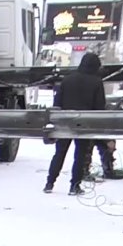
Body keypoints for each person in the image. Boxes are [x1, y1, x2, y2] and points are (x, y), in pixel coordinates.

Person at [45, 52, 106, 195]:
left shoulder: (67, 80)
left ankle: (49, 183)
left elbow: (57, 102)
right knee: (80, 155)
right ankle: (74, 186)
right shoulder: (97, 82)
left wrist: (56, 120)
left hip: (65, 122)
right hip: (84, 123)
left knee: (59, 153)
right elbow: (99, 107)